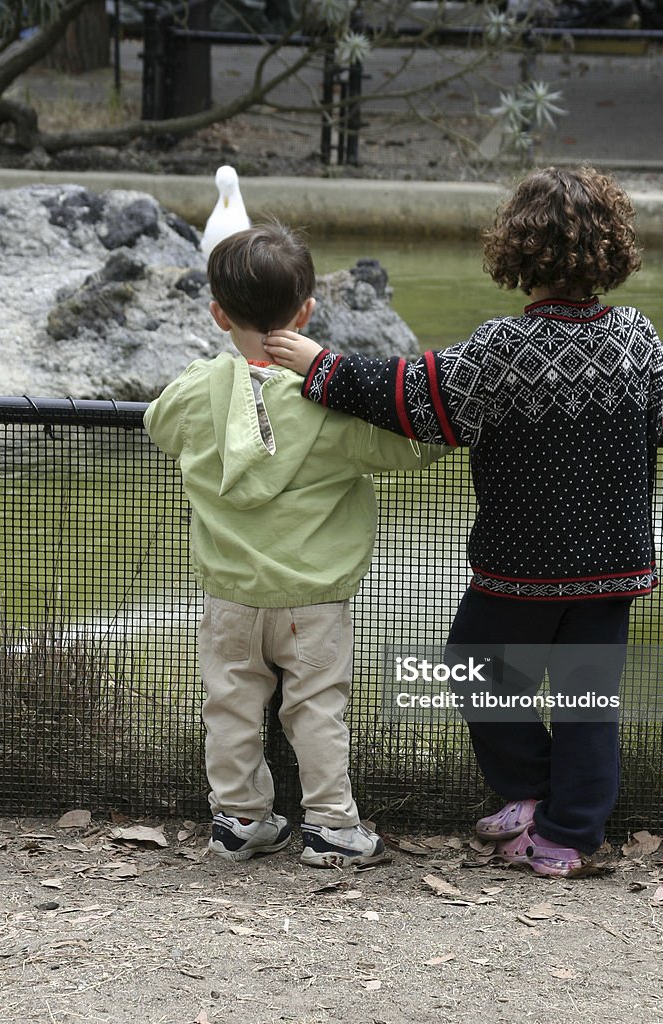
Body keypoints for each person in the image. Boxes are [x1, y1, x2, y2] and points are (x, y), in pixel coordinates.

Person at [263, 166, 663, 877]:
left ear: (514, 251)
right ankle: (569, 836)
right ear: (613, 250)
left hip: (520, 566)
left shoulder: (502, 348)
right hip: (613, 567)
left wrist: (321, 367)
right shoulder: (636, 338)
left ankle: (531, 791)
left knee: (474, 664)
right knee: (589, 699)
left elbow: (409, 396)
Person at [144, 221, 448, 867]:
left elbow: (159, 424)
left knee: (229, 710)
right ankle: (332, 827)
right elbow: (416, 448)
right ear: (307, 311)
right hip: (314, 598)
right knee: (315, 712)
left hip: (230, 593)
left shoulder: (197, 391)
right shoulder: (327, 407)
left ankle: (239, 820)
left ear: (217, 312)